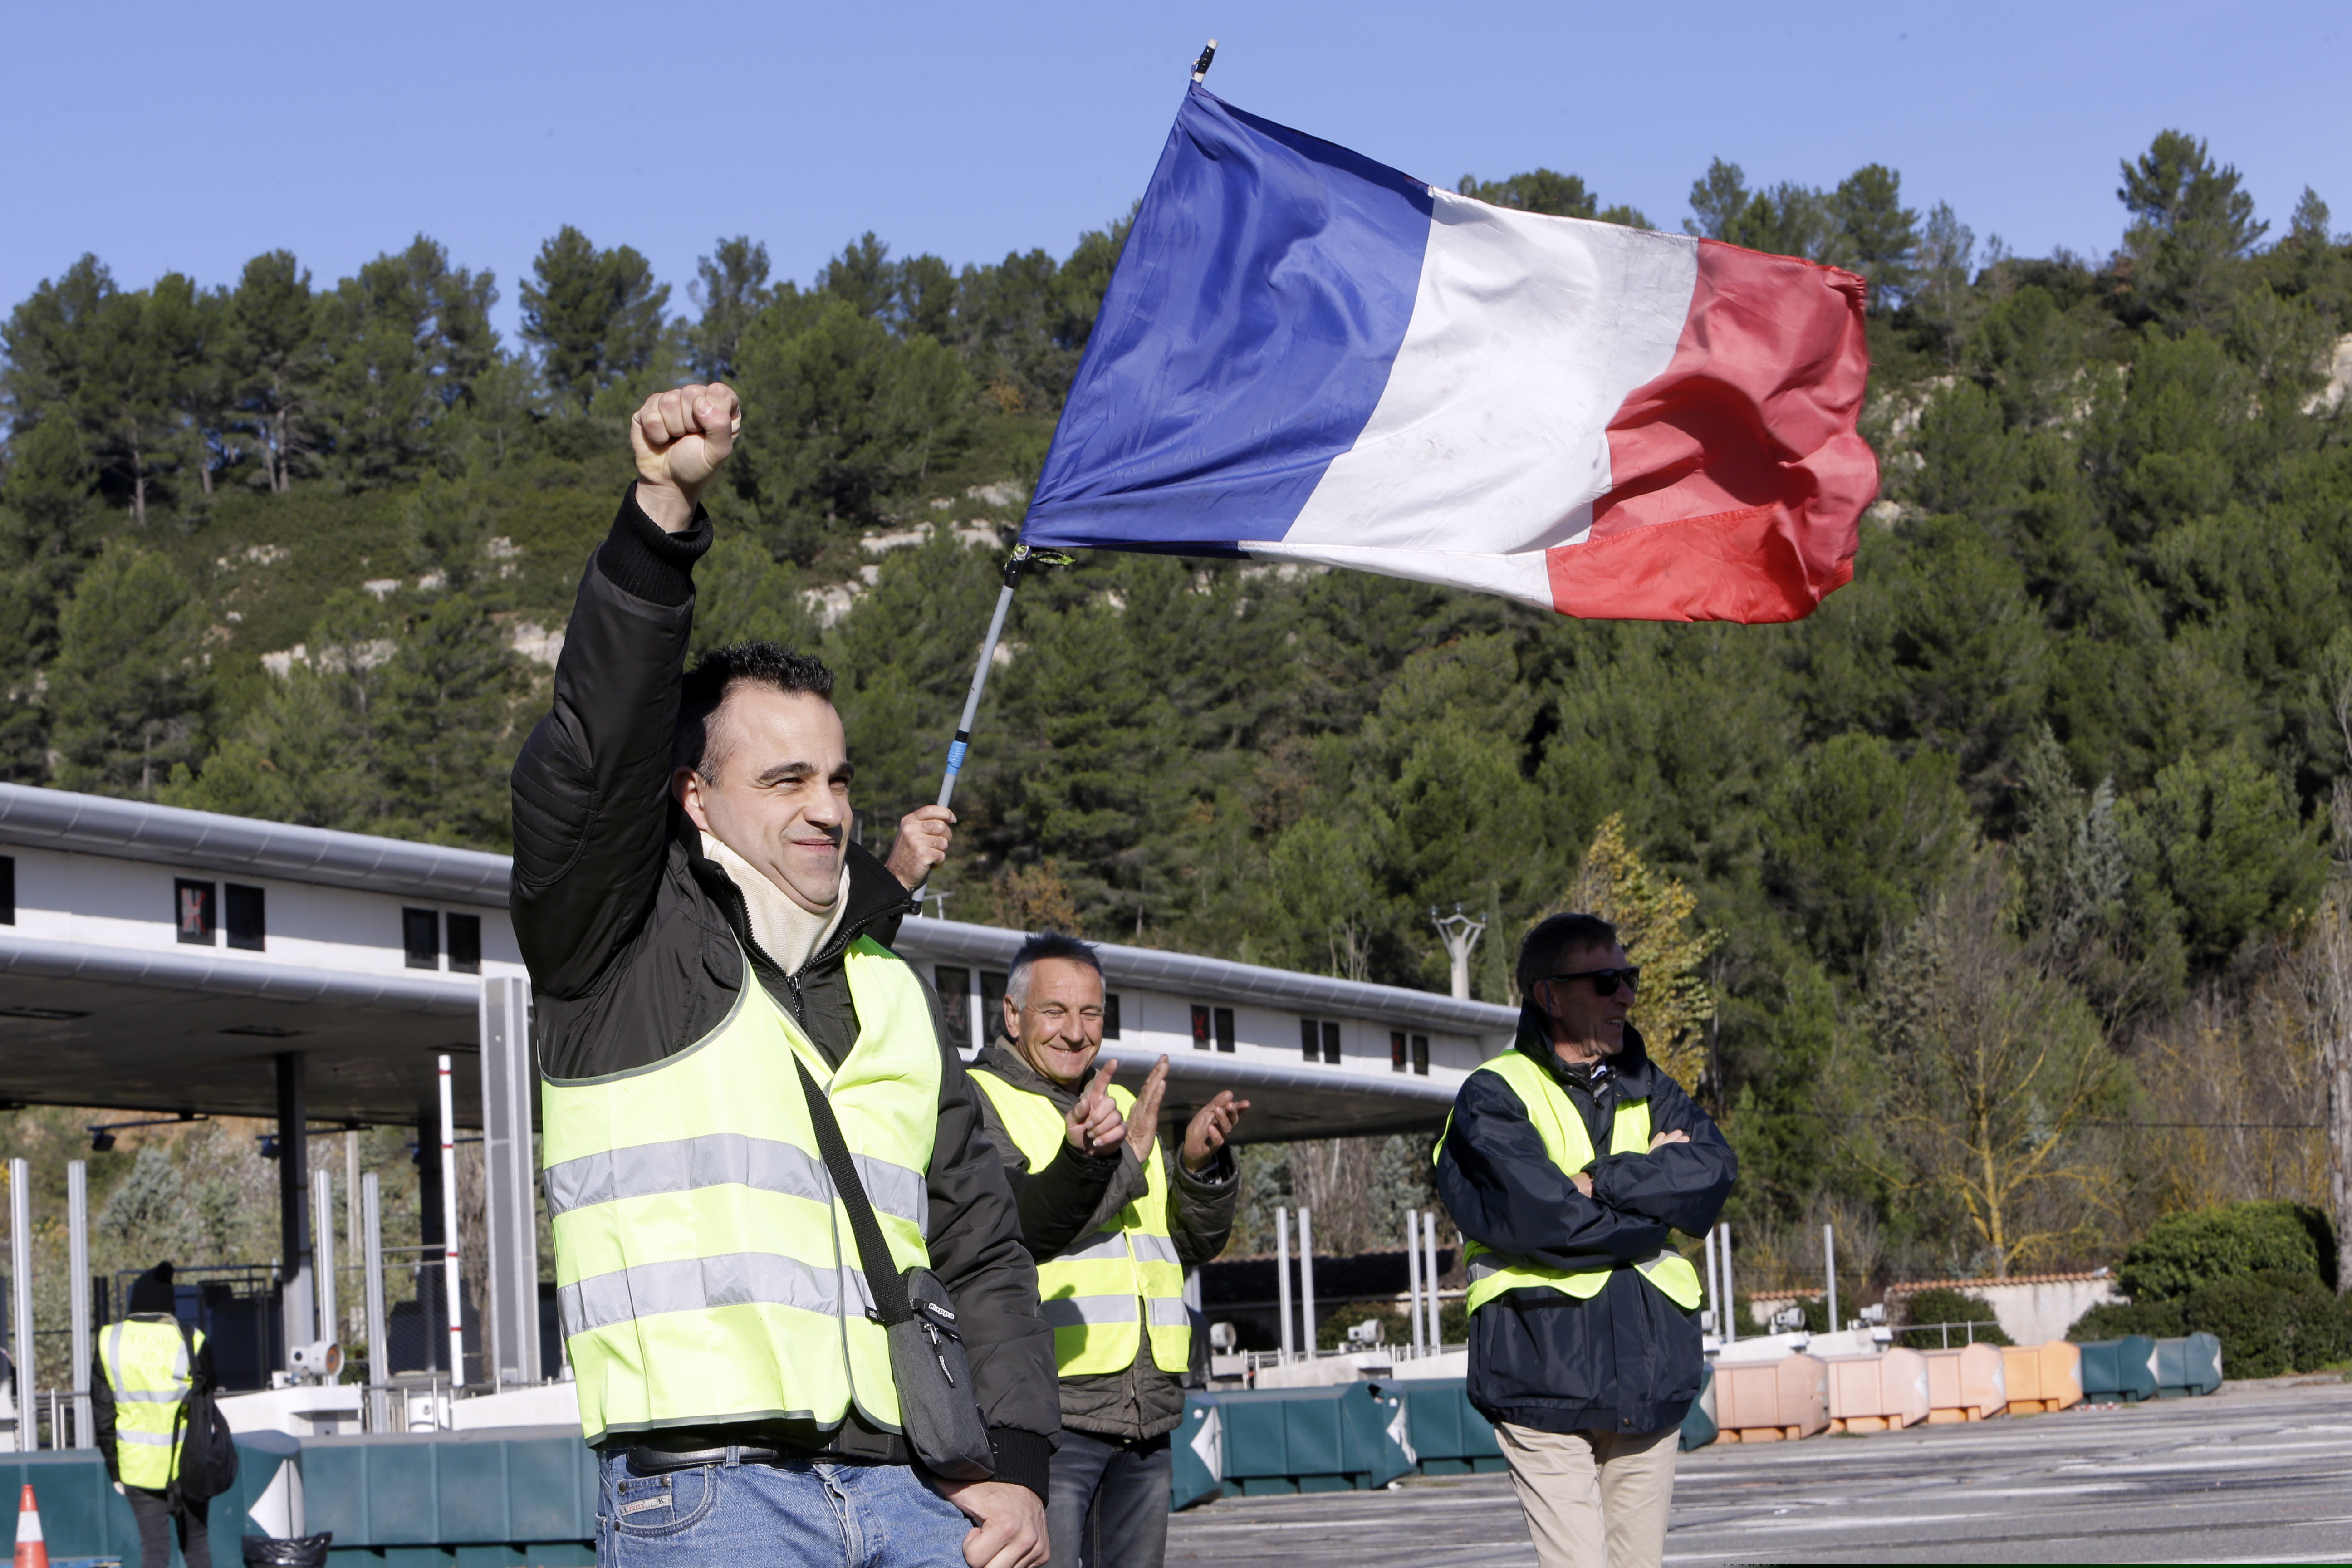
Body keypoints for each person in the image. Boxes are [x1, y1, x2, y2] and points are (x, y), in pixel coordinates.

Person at [511, 382, 1055, 1568]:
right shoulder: (618, 949)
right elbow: (594, 758)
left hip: (923, 1497)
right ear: (694, 798)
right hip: (710, 1507)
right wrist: (661, 516)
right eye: (785, 781)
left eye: (839, 779)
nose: (827, 809)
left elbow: (983, 1253)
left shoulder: (895, 997)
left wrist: (1017, 1467)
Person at [1435, 914, 1735, 1568]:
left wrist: (1598, 1180)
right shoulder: (1493, 1096)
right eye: (1606, 981)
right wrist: (1652, 1196)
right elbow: (1546, 1221)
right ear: (1550, 996)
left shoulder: (1651, 1085)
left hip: (1649, 1381)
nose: (1626, 995)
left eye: (1628, 978)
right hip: (1542, 1375)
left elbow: (1712, 1176)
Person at [965, 933, 1247, 1568]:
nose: (1076, 1032)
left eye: (1091, 1013)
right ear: (1012, 1014)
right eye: (1055, 1012)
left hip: (1146, 1416)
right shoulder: (977, 1102)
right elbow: (1022, 1229)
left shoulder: (1123, 1105)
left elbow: (1181, 1246)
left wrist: (1200, 1169)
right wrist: (1116, 1164)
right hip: (1050, 1419)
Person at [93, 1261, 217, 1568]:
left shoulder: (110, 1341)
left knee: (154, 1551)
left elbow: (103, 1413)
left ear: (135, 1304)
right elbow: (208, 1396)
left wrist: (115, 1470)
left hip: (137, 1466)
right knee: (197, 1546)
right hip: (189, 1464)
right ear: (169, 1308)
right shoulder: (191, 1340)